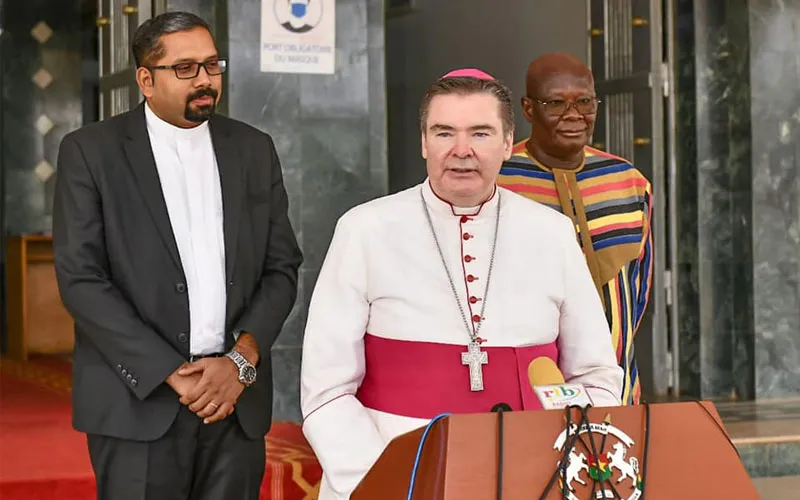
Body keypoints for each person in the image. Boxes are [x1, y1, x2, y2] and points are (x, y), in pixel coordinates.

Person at [300, 68, 623, 500]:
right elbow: (326, 389)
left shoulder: (552, 232)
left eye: (481, 133)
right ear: (423, 142)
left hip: (531, 479)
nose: (462, 151)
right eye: (444, 132)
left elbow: (596, 375)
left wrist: (561, 467)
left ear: (509, 143)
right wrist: (388, 480)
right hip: (395, 474)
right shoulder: (365, 229)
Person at [52, 12, 303, 500]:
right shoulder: (91, 152)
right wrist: (170, 373)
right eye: (185, 68)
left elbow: (281, 266)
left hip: (234, 402)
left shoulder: (253, 149)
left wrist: (240, 361)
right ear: (146, 79)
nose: (205, 80)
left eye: (212, 65)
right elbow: (81, 278)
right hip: (139, 402)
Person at [497, 53, 653, 406]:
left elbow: (638, 287)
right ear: (528, 109)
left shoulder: (629, 183)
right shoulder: (499, 182)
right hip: (524, 384)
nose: (573, 115)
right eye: (555, 103)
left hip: (616, 381)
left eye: (584, 102)